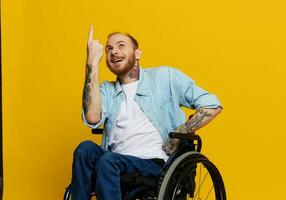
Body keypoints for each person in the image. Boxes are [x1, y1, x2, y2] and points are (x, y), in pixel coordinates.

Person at [71, 25, 223, 200]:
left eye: (121, 46)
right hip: (115, 161)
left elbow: (212, 105)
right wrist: (91, 63)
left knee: (107, 162)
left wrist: (180, 133)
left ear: (137, 53)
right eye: (109, 49)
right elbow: (92, 117)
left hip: (154, 164)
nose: (114, 52)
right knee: (84, 150)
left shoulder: (164, 77)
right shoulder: (106, 90)